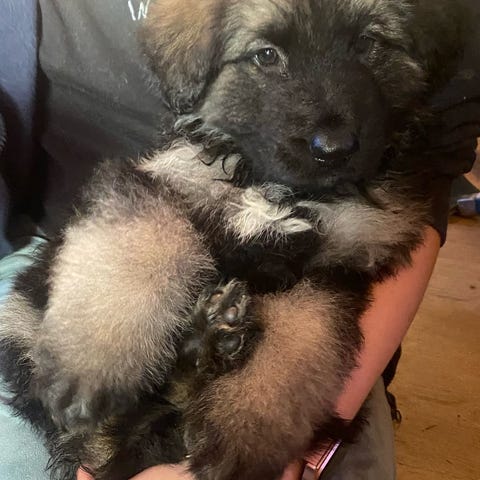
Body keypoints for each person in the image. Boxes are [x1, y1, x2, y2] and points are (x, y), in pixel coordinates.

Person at [0, 1, 479, 480]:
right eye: (266, 55)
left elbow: (339, 297)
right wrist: (96, 352)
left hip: (321, 345)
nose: (330, 136)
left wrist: (281, 442)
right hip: (68, 271)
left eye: (367, 44)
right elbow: (136, 215)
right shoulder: (183, 160)